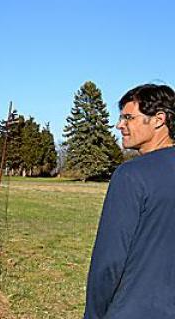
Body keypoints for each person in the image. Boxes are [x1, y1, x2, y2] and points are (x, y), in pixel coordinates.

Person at [84, 84, 175, 318]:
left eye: (128, 117)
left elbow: (109, 263)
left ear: (158, 120)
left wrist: (94, 314)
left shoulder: (132, 175)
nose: (119, 125)